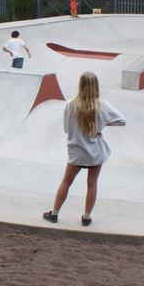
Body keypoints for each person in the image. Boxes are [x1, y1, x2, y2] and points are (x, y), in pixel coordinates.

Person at [42, 72, 126, 226]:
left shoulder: (70, 104)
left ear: (80, 84)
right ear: (96, 86)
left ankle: (54, 213)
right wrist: (102, 124)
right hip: (96, 150)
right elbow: (122, 120)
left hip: (77, 150)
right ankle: (86, 217)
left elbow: (66, 129)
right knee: (92, 183)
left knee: (66, 181)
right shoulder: (102, 105)